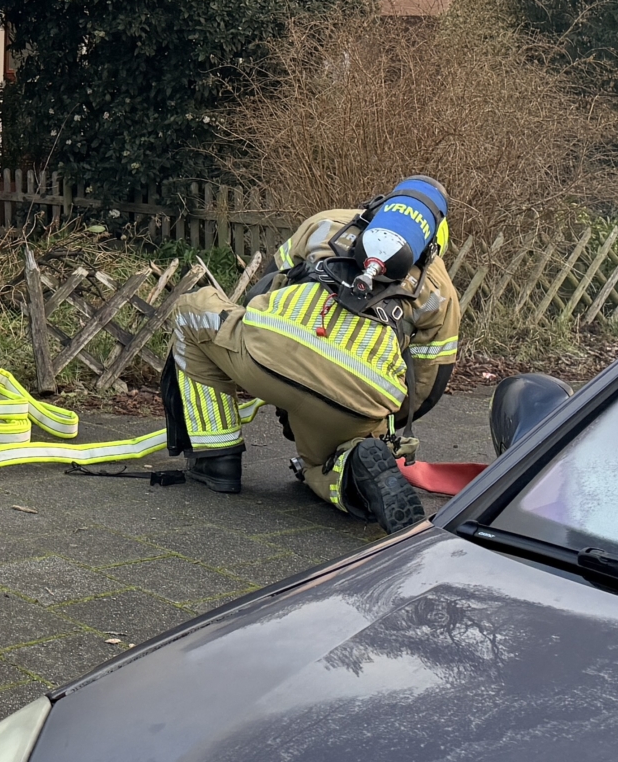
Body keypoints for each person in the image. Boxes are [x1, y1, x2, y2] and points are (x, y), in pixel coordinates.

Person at [162, 177, 461, 534]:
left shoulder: (327, 221)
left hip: (268, 355)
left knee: (191, 310)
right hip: (361, 395)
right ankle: (351, 470)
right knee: (318, 465)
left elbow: (267, 284)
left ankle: (216, 460)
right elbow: (427, 384)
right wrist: (376, 426)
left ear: (383, 202)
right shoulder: (441, 289)